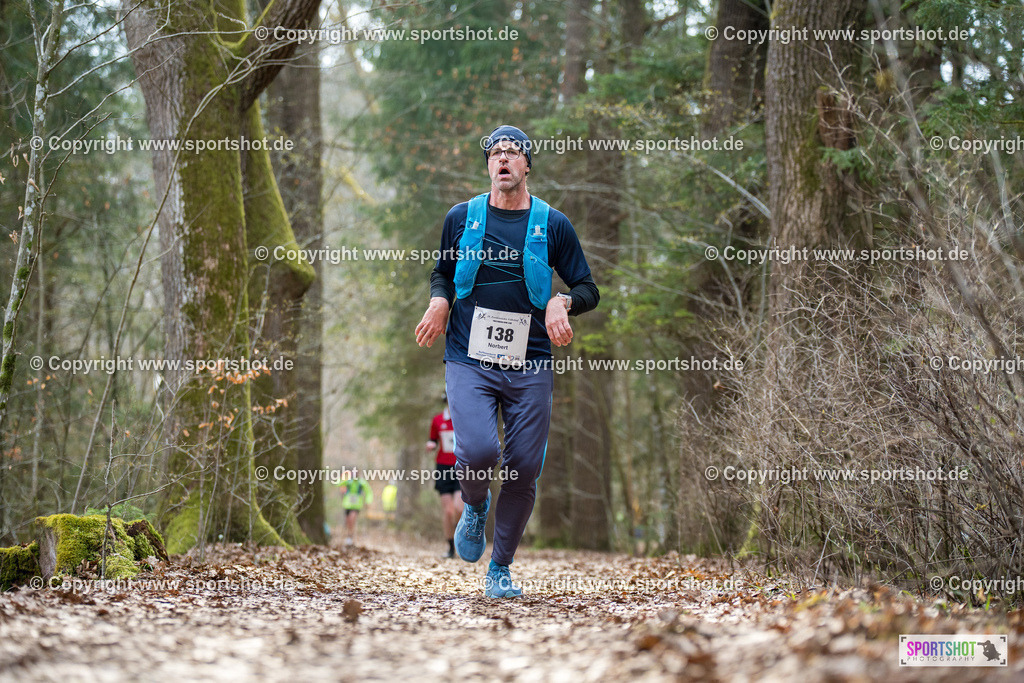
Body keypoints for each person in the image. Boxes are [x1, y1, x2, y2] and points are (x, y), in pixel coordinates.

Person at [414, 124, 599, 597]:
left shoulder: (553, 224)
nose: (504, 159)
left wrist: (563, 303)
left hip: (531, 362)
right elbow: (442, 272)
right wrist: (439, 301)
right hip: (469, 358)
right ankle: (475, 506)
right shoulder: (462, 217)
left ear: (527, 165)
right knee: (477, 452)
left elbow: (587, 287)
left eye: (513, 152)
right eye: (496, 152)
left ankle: (500, 568)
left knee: (522, 466)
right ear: (488, 167)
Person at [426, 396, 463, 558]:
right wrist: (431, 445)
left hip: (462, 466)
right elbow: (432, 440)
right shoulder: (437, 420)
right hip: (443, 467)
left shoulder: (464, 418)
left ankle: (461, 539)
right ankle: (450, 548)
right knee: (448, 511)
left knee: (459, 508)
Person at [340, 469, 373, 546]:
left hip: (356, 505)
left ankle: (350, 536)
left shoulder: (361, 482)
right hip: (347, 504)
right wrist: (343, 476)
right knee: (348, 521)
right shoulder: (348, 481)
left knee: (352, 519)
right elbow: (338, 484)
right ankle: (349, 536)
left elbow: (369, 492)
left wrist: (368, 501)